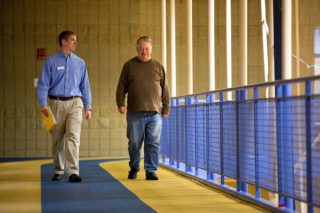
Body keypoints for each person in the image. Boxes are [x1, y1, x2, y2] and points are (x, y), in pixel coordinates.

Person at [37, 31, 92, 182]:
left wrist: (88, 107)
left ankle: (73, 171)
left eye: (76, 40)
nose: (75, 43)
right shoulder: (50, 61)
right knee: (57, 139)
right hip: (55, 103)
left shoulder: (80, 63)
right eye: (73, 40)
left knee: (73, 136)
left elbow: (85, 87)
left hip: (75, 103)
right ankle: (58, 169)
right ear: (63, 41)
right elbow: (42, 85)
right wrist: (43, 104)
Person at [116, 36, 170, 180]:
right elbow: (121, 87)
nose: (144, 51)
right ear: (137, 49)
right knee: (134, 143)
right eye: (141, 48)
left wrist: (166, 108)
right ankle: (134, 167)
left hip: (154, 113)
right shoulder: (129, 65)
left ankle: (150, 171)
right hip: (135, 113)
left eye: (146, 48)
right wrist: (120, 103)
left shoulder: (158, 66)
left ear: (151, 49)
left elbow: (165, 88)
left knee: (153, 143)